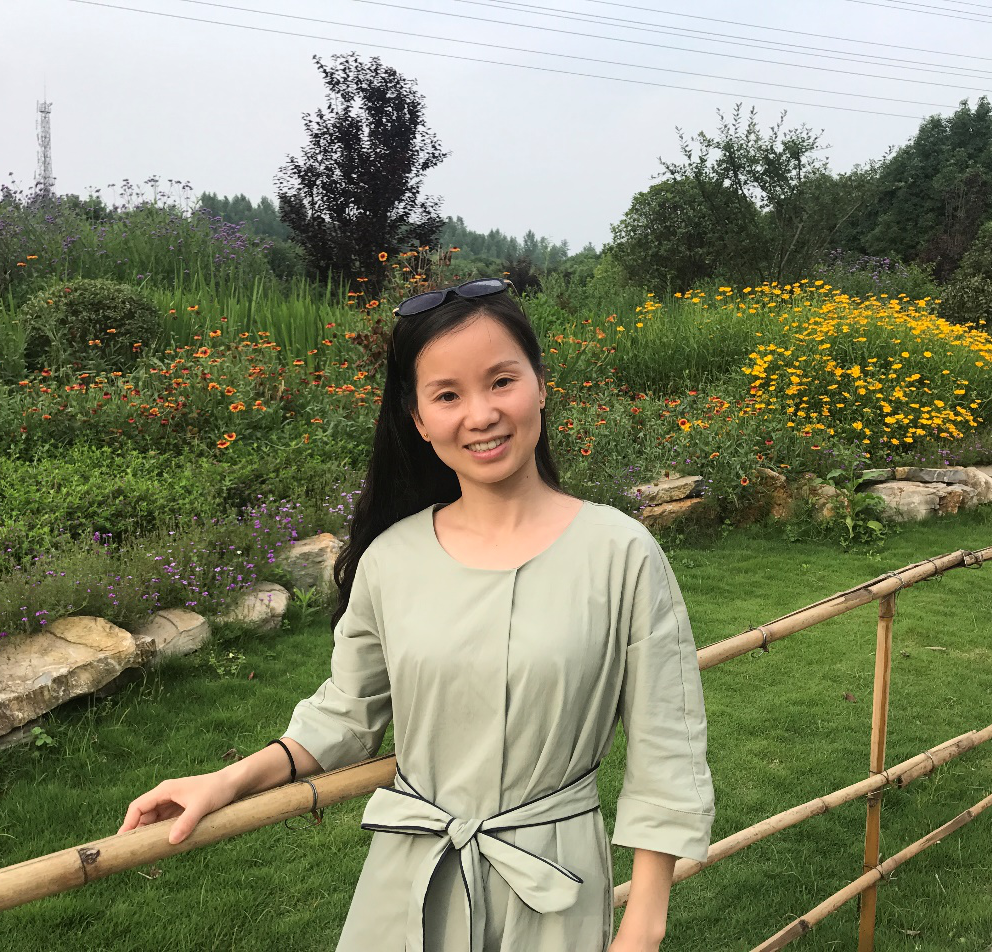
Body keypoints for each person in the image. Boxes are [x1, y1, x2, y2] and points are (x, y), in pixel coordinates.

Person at [118, 277, 714, 951]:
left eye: (501, 381)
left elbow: (667, 743)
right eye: (447, 395)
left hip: (553, 889)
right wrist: (225, 781)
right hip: (408, 885)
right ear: (419, 419)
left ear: (541, 385)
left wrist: (643, 925)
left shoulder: (619, 552)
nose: (481, 414)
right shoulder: (391, 559)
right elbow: (347, 715)